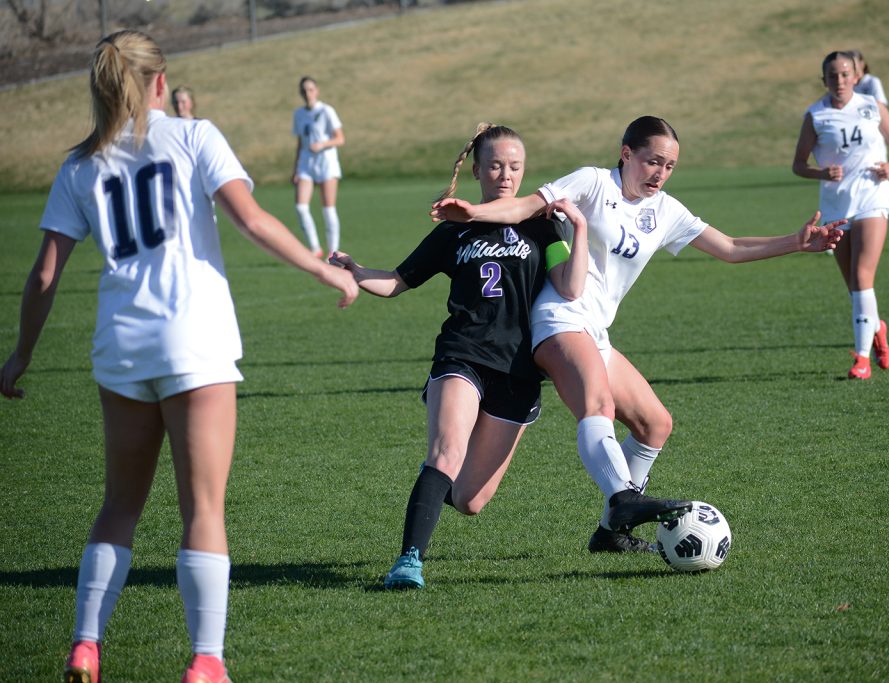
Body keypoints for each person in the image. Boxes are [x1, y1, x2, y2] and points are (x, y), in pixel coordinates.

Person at [0, 30, 358, 683]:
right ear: (161, 82)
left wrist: (21, 353)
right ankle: (206, 660)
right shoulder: (194, 136)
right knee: (203, 509)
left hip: (121, 346)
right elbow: (251, 220)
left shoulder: (80, 165)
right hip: (195, 341)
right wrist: (323, 269)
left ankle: (85, 645)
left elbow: (45, 274)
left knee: (119, 505)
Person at [432, 116, 845, 553]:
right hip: (560, 318)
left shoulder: (665, 210)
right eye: (653, 161)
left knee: (655, 425)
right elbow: (524, 206)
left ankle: (611, 532)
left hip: (595, 330)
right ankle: (623, 498)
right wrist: (474, 212)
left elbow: (729, 247)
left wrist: (796, 242)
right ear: (626, 154)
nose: (660, 173)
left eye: (669, 166)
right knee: (599, 405)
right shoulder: (593, 183)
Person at [329, 123, 591, 589]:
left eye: (515, 167)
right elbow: (397, 282)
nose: (505, 175)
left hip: (518, 371)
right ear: (476, 171)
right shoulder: (456, 230)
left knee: (470, 499)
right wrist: (355, 270)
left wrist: (581, 228)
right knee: (447, 452)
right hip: (462, 354)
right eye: (495, 166)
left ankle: (433, 487)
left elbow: (570, 287)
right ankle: (409, 560)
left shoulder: (543, 225)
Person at [793, 51, 889, 380]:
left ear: (857, 76)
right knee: (854, 286)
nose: (840, 80)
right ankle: (877, 327)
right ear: (824, 80)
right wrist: (821, 173)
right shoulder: (816, 115)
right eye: (833, 75)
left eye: (845, 74)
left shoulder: (873, 106)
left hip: (873, 197)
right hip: (836, 206)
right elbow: (798, 165)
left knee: (861, 276)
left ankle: (862, 359)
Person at [848, 49, 889, 253]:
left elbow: (880, 107)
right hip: (853, 145)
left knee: (878, 188)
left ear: (862, 64)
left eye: (855, 63)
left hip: (872, 143)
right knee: (850, 187)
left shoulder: (871, 82)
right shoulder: (846, 84)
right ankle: (838, 233)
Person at [292, 75, 345, 258]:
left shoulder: (326, 111)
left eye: (311, 89)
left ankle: (333, 252)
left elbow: (340, 138)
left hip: (326, 163)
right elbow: (300, 142)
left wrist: (322, 144)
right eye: (304, 90)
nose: (307, 93)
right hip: (306, 164)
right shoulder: (298, 114)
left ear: (317, 91)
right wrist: (296, 168)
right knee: (301, 207)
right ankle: (314, 247)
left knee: (328, 208)